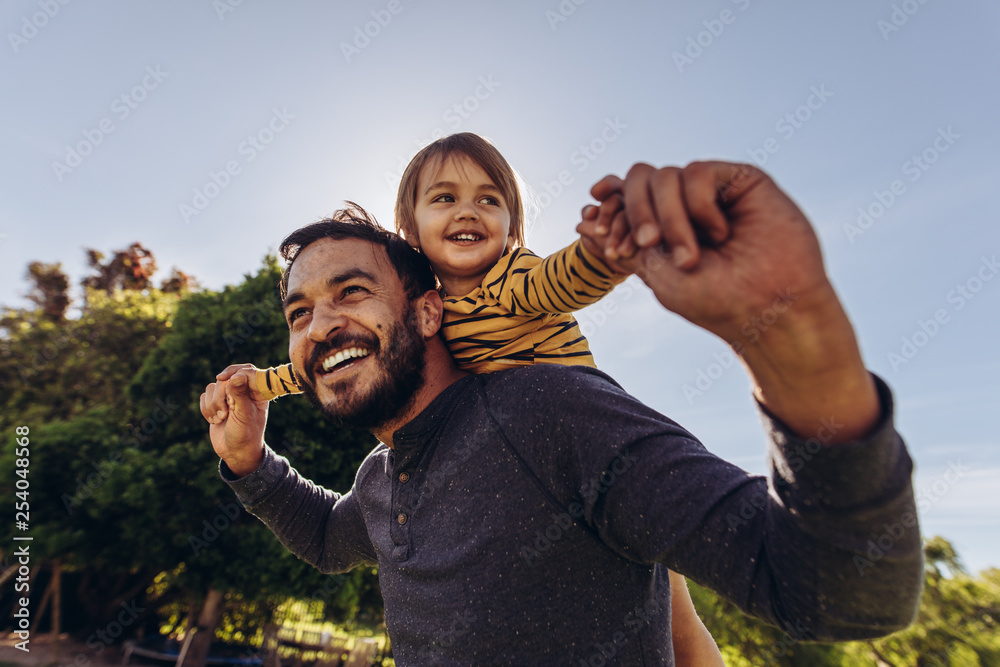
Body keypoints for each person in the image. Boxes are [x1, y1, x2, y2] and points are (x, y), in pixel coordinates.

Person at [201, 160, 924, 664]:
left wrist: (800, 343)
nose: (320, 324)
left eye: (351, 291)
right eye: (300, 311)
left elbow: (840, 591)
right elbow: (330, 539)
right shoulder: (382, 478)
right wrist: (247, 462)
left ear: (427, 312)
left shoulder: (548, 411)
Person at [219, 133, 723, 663]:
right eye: (444, 198)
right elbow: (324, 371)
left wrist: (609, 250)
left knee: (679, 621)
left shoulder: (513, 281)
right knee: (671, 612)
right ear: (410, 233)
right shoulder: (414, 337)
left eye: (489, 199)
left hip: (585, 449)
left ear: (512, 227)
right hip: (551, 465)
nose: (468, 211)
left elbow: (565, 280)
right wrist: (253, 408)